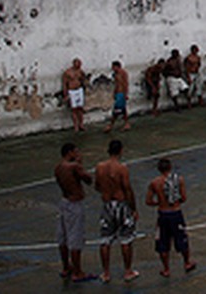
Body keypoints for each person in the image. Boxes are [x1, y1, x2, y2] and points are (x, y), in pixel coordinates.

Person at [95, 140, 138, 284]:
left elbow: (97, 186)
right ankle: (128, 271)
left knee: (105, 240)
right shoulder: (122, 168)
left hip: (107, 205)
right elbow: (127, 189)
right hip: (121, 205)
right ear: (120, 150)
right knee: (126, 239)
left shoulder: (99, 167)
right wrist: (133, 208)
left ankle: (106, 273)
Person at [145, 158, 196, 277]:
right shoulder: (179, 180)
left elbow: (148, 201)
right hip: (176, 212)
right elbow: (183, 198)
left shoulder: (154, 183)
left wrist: (159, 203)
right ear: (170, 167)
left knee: (163, 242)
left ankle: (166, 269)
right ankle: (187, 263)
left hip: (163, 213)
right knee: (182, 238)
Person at [55, 143, 94, 282]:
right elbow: (88, 179)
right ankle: (78, 271)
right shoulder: (74, 167)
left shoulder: (58, 167)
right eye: (76, 151)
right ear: (70, 152)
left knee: (63, 237)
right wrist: (80, 164)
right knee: (75, 238)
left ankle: (66, 267)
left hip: (64, 202)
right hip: (74, 203)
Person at [104, 61, 131, 133]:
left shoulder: (123, 73)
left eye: (113, 67)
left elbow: (125, 84)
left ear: (117, 66)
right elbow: (117, 84)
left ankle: (111, 125)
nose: (112, 68)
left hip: (121, 94)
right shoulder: (116, 74)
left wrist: (125, 94)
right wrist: (114, 93)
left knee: (117, 110)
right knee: (123, 110)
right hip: (118, 93)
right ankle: (126, 124)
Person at [63, 58, 87, 133]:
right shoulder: (67, 72)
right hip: (72, 91)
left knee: (80, 108)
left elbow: (83, 79)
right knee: (74, 109)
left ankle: (81, 124)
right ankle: (75, 126)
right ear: (74, 64)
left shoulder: (80, 71)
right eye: (78, 64)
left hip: (79, 90)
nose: (79, 66)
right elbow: (64, 84)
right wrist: (65, 94)